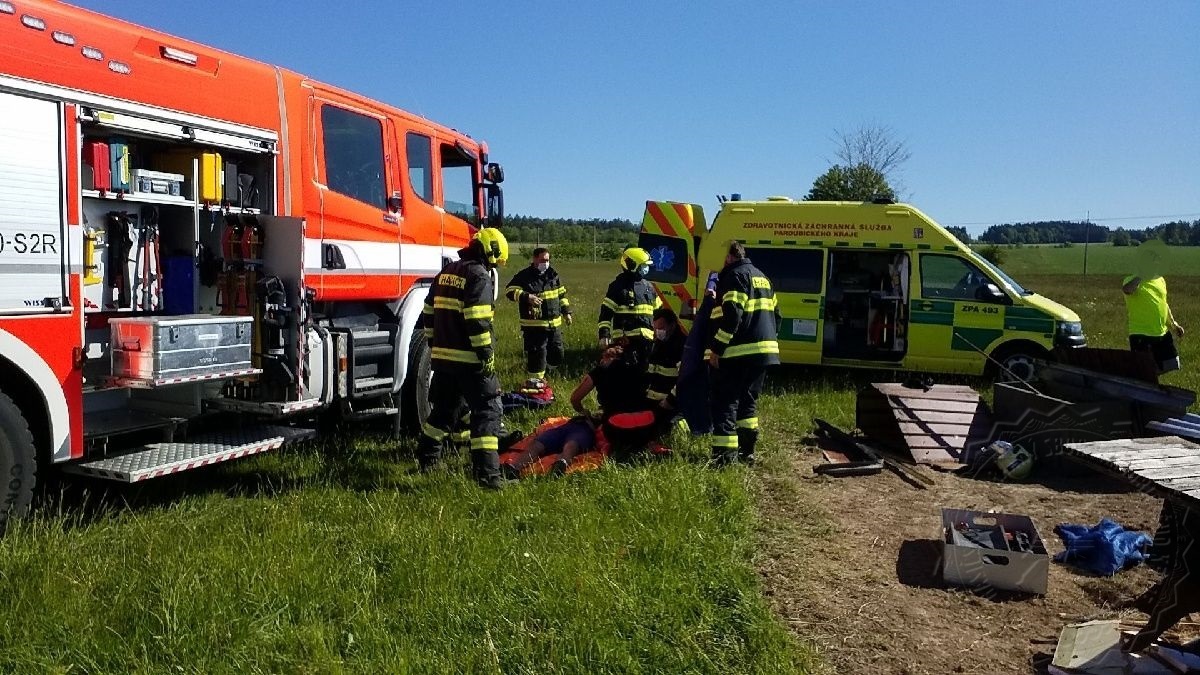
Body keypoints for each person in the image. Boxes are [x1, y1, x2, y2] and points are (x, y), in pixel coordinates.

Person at [416, 227, 509, 489]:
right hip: (471, 361)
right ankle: (488, 477)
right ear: (489, 252)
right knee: (487, 412)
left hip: (444, 360)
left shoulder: (447, 272)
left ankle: (428, 460)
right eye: (495, 261)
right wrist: (486, 355)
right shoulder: (478, 275)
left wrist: (436, 346)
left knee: (443, 413)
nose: (494, 267)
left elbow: (428, 312)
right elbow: (477, 320)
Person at [707, 241, 780, 467]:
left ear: (730, 257)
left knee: (726, 402)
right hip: (764, 353)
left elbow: (732, 317)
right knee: (748, 404)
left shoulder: (734, 277)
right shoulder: (762, 277)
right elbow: (777, 316)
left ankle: (724, 458)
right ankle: (746, 453)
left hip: (738, 353)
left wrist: (717, 350)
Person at [504, 247, 573, 382]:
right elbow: (509, 291)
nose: (545, 263)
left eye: (547, 260)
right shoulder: (524, 276)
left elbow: (561, 296)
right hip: (534, 327)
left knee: (557, 353)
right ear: (534, 259)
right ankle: (536, 384)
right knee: (538, 356)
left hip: (554, 325)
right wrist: (526, 296)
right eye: (542, 260)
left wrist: (566, 312)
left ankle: (552, 375)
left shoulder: (553, 275)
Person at [597, 246, 661, 364]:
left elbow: (658, 312)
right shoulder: (617, 287)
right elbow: (605, 314)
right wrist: (604, 335)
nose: (646, 269)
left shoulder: (649, 287)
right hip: (624, 342)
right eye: (643, 266)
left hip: (647, 341)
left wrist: (661, 331)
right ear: (632, 265)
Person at [1123, 264, 1184, 374]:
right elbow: (1127, 290)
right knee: (1144, 369)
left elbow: (1163, 303)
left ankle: (1151, 379)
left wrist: (1174, 324)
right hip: (1141, 334)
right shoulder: (1131, 280)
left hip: (1161, 332)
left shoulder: (1160, 280)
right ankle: (1148, 384)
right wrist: (1141, 276)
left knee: (1173, 363)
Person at [646, 306, 687, 432]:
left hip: (671, 404)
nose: (658, 331)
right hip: (653, 401)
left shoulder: (681, 346)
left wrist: (669, 401)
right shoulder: (657, 344)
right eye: (655, 328)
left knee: (666, 428)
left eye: (661, 328)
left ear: (672, 326)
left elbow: (684, 380)